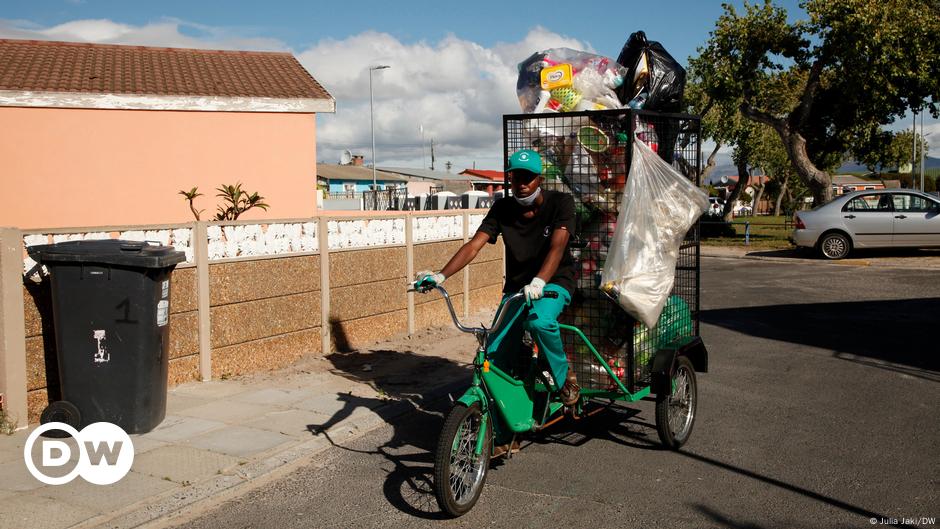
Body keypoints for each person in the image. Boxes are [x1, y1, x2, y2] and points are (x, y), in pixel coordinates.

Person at [414, 148, 580, 406]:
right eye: (516, 178)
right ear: (510, 179)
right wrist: (440, 276)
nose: (522, 184)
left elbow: (558, 247)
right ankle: (501, 428)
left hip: (554, 281)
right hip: (517, 288)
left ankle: (564, 378)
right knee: (493, 353)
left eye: (529, 178)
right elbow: (473, 246)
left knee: (539, 323)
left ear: (540, 180)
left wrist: (539, 281)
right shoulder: (502, 207)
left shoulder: (561, 203)